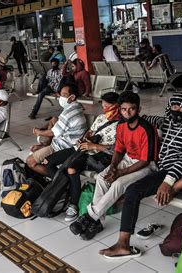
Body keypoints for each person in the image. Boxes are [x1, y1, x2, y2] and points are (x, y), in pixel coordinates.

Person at [98, 92, 182, 259]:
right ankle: (123, 244)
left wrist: (168, 184)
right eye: (174, 107)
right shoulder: (168, 122)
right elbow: (147, 118)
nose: (177, 111)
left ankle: (176, 188)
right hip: (166, 171)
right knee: (132, 191)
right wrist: (130, 114)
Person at [70, 91, 158, 239]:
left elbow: (145, 161)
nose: (128, 113)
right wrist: (112, 167)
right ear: (120, 109)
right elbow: (118, 149)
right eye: (124, 109)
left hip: (147, 166)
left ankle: (90, 217)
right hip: (128, 159)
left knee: (118, 184)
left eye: (132, 109)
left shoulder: (147, 129)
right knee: (102, 178)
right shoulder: (122, 125)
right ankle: (97, 223)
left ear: (139, 109)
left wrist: (120, 173)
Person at [44, 92, 121, 222]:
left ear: (116, 106)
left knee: (71, 169)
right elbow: (90, 132)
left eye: (107, 106)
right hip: (83, 149)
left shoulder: (121, 125)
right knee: (48, 162)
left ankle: (73, 203)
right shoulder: (102, 118)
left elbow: (117, 150)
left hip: (99, 156)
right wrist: (84, 139)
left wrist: (94, 146)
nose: (104, 109)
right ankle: (67, 189)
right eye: (103, 105)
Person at [26, 83, 87, 176]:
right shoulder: (76, 107)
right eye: (60, 94)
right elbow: (58, 125)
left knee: (30, 161)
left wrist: (38, 132)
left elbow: (52, 132)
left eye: (63, 95)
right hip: (64, 142)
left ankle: (58, 179)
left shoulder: (68, 113)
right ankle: (45, 145)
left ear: (72, 97)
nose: (60, 97)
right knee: (54, 119)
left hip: (63, 147)